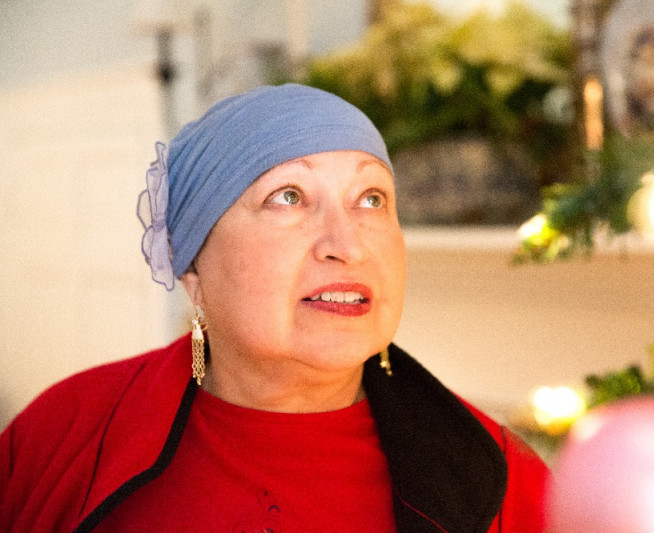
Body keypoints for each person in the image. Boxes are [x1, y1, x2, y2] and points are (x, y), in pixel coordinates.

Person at [0, 84, 549, 532]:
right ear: (193, 270)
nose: (348, 245)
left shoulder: (500, 477)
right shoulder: (60, 434)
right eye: (288, 197)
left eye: (371, 199)